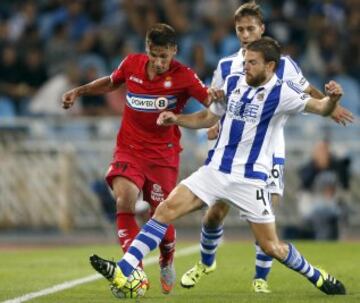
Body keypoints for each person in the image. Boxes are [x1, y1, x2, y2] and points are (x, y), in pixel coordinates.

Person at [89, 37, 346, 296]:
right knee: (164, 211)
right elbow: (207, 117)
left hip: (249, 180)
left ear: (270, 66)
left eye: (252, 63)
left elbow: (322, 107)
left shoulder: (284, 93)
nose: (245, 66)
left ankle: (317, 275)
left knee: (272, 248)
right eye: (245, 61)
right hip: (213, 171)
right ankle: (124, 268)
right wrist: (176, 119)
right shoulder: (232, 83)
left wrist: (332, 99)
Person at [180, 2, 354, 293]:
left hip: (270, 150)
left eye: (251, 28)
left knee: (266, 217)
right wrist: (216, 124)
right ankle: (205, 262)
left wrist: (328, 104)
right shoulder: (226, 65)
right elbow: (221, 107)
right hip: (231, 150)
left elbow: (305, 90)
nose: (245, 34)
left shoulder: (281, 63)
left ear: (262, 28)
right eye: (240, 29)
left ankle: (260, 279)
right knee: (213, 214)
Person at [62, 23, 220, 294]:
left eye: (164, 56)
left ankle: (166, 257)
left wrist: (217, 120)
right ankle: (133, 270)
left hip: (163, 156)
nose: (159, 62)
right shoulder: (132, 64)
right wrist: (79, 91)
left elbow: (211, 103)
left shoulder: (184, 76)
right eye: (154, 54)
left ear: (174, 51)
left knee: (159, 215)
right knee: (124, 199)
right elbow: (111, 82)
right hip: (129, 148)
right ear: (147, 49)